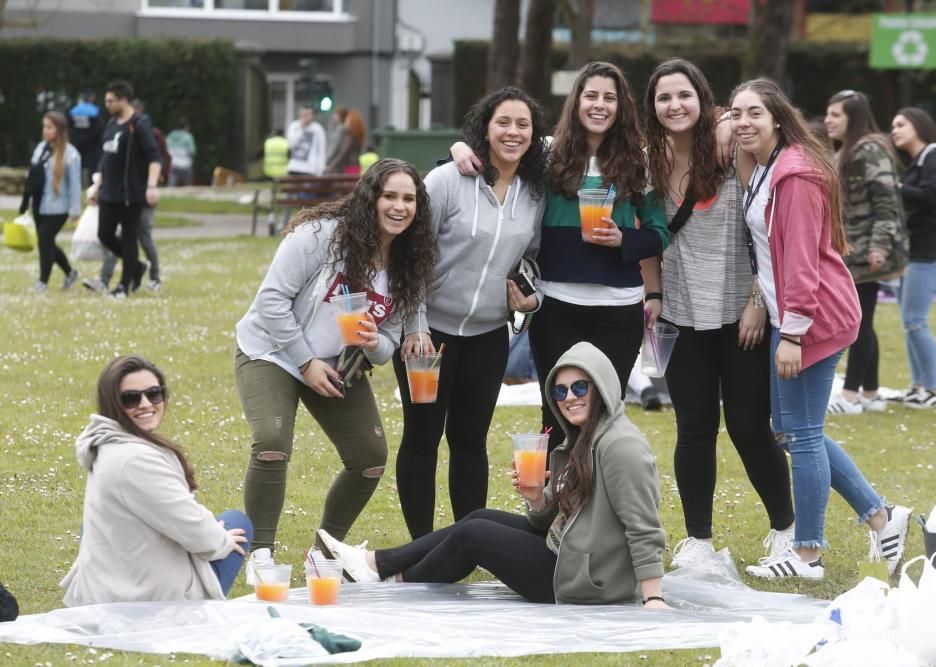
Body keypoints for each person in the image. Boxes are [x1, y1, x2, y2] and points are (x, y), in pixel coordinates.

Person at [319, 342, 668, 608]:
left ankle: (394, 581)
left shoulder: (621, 447)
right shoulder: (582, 438)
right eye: (560, 391)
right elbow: (564, 516)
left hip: (588, 579)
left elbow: (644, 527)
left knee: (474, 534)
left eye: (580, 388)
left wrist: (652, 599)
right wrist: (536, 499)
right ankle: (375, 564)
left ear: (602, 388)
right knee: (479, 517)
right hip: (570, 553)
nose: (569, 398)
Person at [729, 78, 911, 580]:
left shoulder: (797, 175)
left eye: (754, 114)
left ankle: (807, 555)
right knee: (790, 431)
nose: (743, 122)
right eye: (735, 113)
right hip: (791, 315)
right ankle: (881, 516)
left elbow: (804, 262)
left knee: (803, 434)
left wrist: (791, 334)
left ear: (778, 119)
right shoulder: (768, 166)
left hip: (814, 319)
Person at [453, 62, 669, 451]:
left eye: (609, 97)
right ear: (576, 102)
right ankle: (551, 507)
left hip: (618, 311)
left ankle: (596, 510)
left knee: (604, 417)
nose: (599, 105)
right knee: (555, 413)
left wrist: (623, 240)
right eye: (591, 96)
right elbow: (498, 149)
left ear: (622, 106)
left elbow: (659, 235)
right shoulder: (548, 152)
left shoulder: (642, 161)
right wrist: (459, 147)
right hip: (557, 308)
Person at [234, 159, 436, 573]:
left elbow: (389, 345)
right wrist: (306, 363)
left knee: (370, 456)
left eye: (409, 199)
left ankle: (324, 554)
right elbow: (271, 301)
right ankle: (261, 555)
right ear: (370, 198)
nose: (399, 207)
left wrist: (373, 341)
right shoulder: (320, 235)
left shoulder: (408, 260)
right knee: (272, 440)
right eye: (390, 196)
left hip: (337, 363)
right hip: (273, 350)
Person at [639, 59, 795, 568]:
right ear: (653, 107)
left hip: (740, 312)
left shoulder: (733, 151)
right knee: (694, 427)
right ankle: (700, 541)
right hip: (681, 312)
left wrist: (757, 302)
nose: (674, 106)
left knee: (751, 426)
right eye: (664, 98)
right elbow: (648, 240)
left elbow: (762, 231)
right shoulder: (647, 162)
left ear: (703, 100)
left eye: (684, 95)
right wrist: (653, 295)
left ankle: (785, 530)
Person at [394, 87, 547, 539]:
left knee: (470, 442)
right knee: (422, 439)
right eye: (503, 122)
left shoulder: (535, 193)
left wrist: (530, 295)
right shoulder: (446, 181)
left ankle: (465, 542)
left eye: (523, 125)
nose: (513, 132)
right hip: (429, 337)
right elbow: (411, 253)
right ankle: (421, 544)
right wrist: (414, 325)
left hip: (487, 337)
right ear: (485, 127)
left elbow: (535, 257)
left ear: (534, 135)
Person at [61, 355, 251, 605]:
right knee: (237, 523)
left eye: (154, 394)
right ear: (113, 403)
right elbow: (196, 532)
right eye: (130, 398)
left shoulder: (104, 444)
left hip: (106, 583)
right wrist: (222, 539)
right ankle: (198, 611)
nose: (145, 403)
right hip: (146, 599)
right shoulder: (135, 461)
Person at [824, 90, 907, 415]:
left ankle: (851, 395)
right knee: (864, 320)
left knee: (857, 322)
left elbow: (886, 200)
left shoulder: (870, 148)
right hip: (851, 249)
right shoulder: (847, 149)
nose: (829, 120)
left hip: (868, 250)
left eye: (836, 115)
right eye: (828, 114)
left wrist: (880, 245)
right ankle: (871, 393)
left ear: (853, 118)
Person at [890, 107, 936, 409]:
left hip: (930, 252)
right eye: (893, 126)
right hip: (913, 251)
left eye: (901, 124)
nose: (895, 131)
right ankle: (918, 386)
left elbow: (935, 194)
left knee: (916, 321)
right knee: (909, 322)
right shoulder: (917, 161)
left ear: (920, 125)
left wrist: (898, 189)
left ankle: (934, 390)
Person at [86, 80, 162, 299]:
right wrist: (97, 187)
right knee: (105, 234)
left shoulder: (139, 124)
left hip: (131, 194)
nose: (107, 105)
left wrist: (152, 186)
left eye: (111, 101)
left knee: (129, 238)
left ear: (124, 100)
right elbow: (105, 158)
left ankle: (123, 286)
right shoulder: (111, 125)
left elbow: (154, 157)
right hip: (109, 192)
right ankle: (136, 267)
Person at [21, 111, 81, 292]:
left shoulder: (71, 154)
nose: (45, 130)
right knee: (47, 243)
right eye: (44, 126)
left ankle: (42, 283)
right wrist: (26, 201)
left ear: (59, 130)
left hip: (58, 207)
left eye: (49, 127)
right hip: (40, 205)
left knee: (45, 241)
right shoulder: (40, 148)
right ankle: (70, 273)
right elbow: (32, 176)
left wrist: (75, 210)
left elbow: (75, 184)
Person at [68, 90, 103, 188]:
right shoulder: (95, 110)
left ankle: (76, 184)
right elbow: (99, 128)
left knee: (76, 163)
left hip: (77, 142)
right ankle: (92, 185)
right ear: (91, 98)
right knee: (93, 164)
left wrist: (75, 138)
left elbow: (69, 126)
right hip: (92, 143)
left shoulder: (74, 110)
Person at [286, 105, 326, 177]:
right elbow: (290, 145)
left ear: (312, 115)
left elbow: (321, 150)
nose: (305, 117)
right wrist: (301, 129)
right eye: (303, 114)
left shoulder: (317, 129)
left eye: (308, 114)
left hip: (310, 169)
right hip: (294, 167)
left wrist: (320, 169)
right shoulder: (294, 126)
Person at [327, 108, 367, 175]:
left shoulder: (349, 137)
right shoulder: (357, 136)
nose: (346, 122)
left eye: (347, 120)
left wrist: (331, 166)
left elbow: (342, 154)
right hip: (355, 166)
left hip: (348, 168)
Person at [166, 117, 197, 186]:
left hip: (173, 164)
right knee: (188, 186)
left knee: (170, 186)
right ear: (186, 126)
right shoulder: (188, 136)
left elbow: (166, 149)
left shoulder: (171, 135)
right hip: (186, 165)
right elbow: (192, 151)